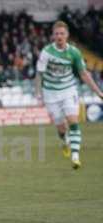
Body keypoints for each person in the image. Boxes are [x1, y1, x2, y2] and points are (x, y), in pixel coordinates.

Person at [35, 21, 103, 169]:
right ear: (53, 35)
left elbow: (84, 74)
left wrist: (98, 92)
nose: (59, 36)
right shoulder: (47, 52)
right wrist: (38, 94)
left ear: (67, 35)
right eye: (57, 33)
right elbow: (39, 74)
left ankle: (75, 156)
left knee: (73, 121)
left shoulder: (74, 53)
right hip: (50, 93)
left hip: (68, 90)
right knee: (61, 127)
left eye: (62, 33)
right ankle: (64, 141)